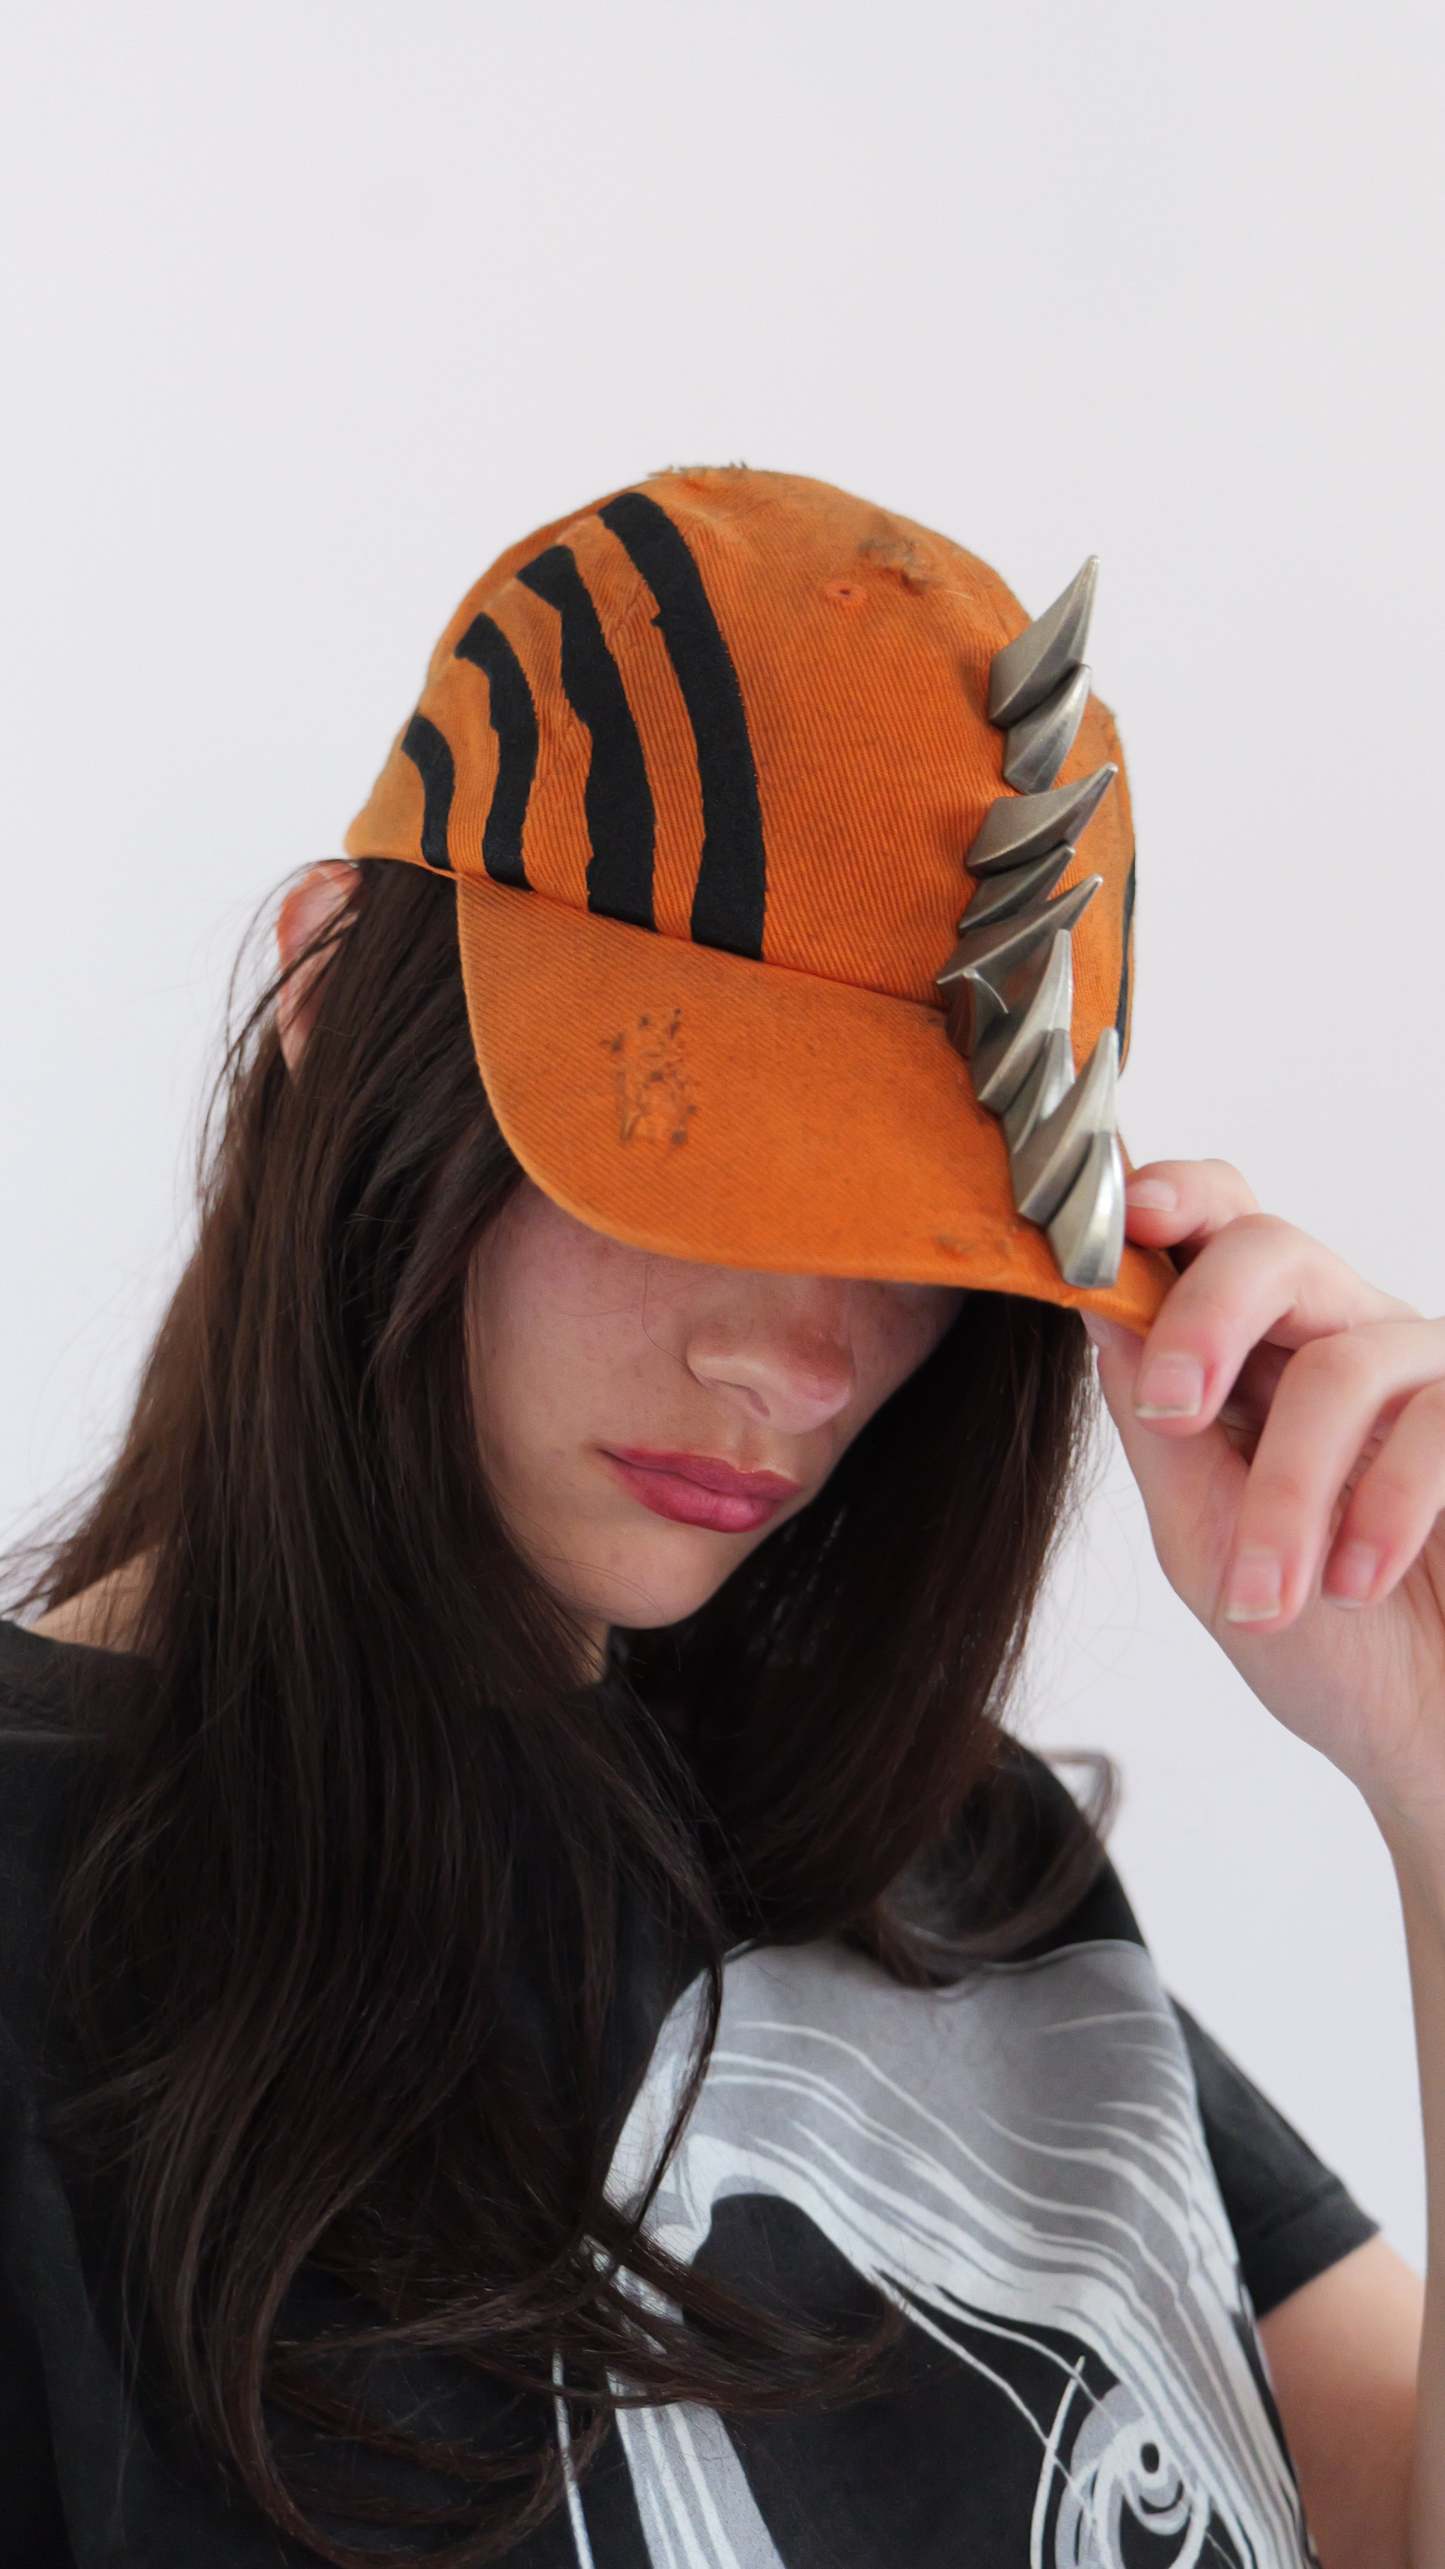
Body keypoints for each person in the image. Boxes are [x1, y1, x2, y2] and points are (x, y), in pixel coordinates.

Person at [0, 464, 1423, 2568]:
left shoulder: (956, 1859)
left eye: (919, 1230)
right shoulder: (50, 1930)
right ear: (329, 997)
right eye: (680, 1154)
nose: (804, 1359)